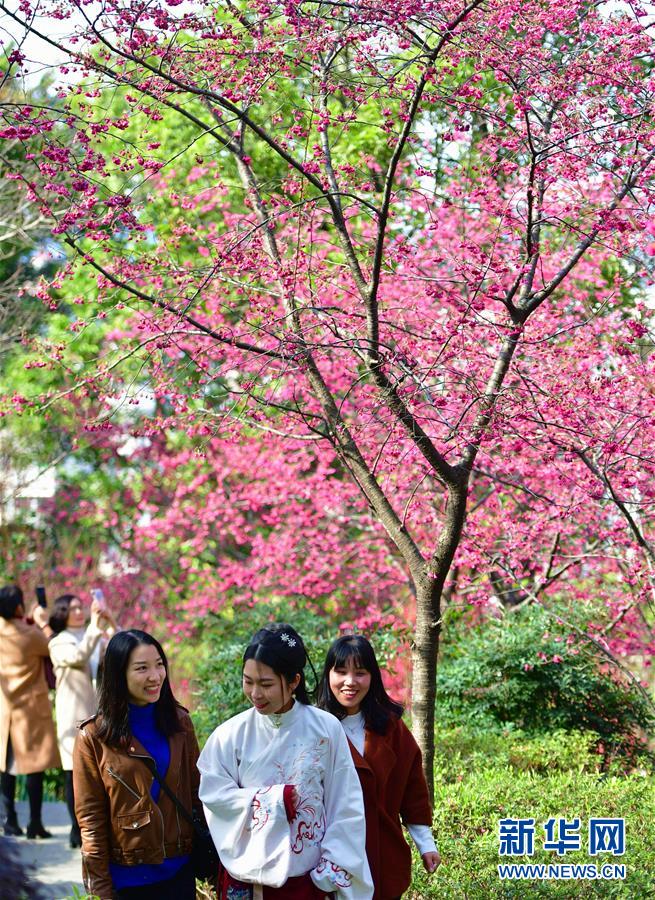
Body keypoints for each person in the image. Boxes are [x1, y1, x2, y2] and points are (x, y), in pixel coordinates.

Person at [198, 622, 374, 900]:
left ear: (294, 681)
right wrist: (274, 800)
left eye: (266, 684)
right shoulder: (229, 736)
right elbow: (214, 797)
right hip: (250, 883)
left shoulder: (326, 729)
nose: (255, 694)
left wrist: (327, 874)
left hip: (309, 882)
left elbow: (345, 803)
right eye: (248, 681)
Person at [73, 629, 201, 900]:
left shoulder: (180, 724)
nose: (155, 676)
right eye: (142, 668)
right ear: (119, 675)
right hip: (127, 880)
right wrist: (100, 890)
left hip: (180, 873)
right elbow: (91, 821)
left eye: (159, 665)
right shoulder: (94, 737)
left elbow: (198, 795)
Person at [316, 635, 440, 900]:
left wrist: (426, 844)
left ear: (372, 677)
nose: (350, 682)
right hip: (329, 860)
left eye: (360, 673)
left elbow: (412, 790)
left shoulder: (391, 728)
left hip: (382, 855)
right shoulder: (314, 728)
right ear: (328, 675)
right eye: (341, 672)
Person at [49, 593, 115, 848]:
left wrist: (109, 622)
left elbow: (120, 648)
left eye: (81, 607)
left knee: (98, 770)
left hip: (97, 713)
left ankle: (98, 825)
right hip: (73, 715)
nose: (79, 611)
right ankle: (76, 828)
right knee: (73, 772)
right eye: (72, 608)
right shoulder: (58, 642)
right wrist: (94, 629)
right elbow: (78, 657)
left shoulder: (92, 635)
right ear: (62, 612)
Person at [0, 583, 61, 838]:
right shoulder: (30, 634)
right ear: (18, 606)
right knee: (35, 767)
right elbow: (54, 647)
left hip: (5, 709)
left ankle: (9, 820)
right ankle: (35, 824)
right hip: (30, 708)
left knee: (5, 766)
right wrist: (42, 620)